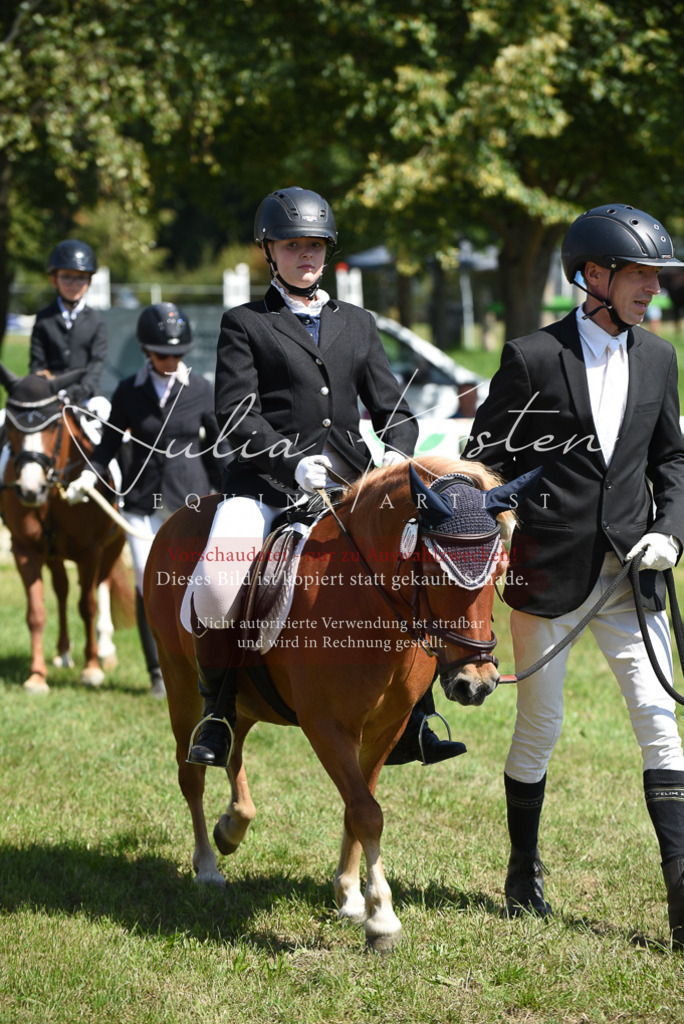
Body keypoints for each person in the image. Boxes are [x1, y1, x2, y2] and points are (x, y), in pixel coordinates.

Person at [463, 203, 684, 945]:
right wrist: (502, 515)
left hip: (632, 573)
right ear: (594, 274)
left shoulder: (659, 358)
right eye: (641, 275)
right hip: (549, 573)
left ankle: (681, 898)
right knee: (540, 728)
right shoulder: (531, 356)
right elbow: (485, 459)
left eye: (658, 276)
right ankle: (523, 872)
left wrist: (669, 533)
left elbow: (672, 462)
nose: (653, 288)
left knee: (661, 724)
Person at [185, 185, 466, 769]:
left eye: (314, 245)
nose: (305, 256)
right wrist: (289, 462)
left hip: (349, 487)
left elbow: (394, 408)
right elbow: (236, 413)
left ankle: (418, 714)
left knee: (417, 565)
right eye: (292, 246)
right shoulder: (245, 323)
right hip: (264, 487)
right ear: (270, 251)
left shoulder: (358, 324)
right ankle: (217, 711)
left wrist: (398, 454)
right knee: (215, 584)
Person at [65, 302, 222, 697]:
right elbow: (108, 446)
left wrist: (230, 493)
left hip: (192, 503)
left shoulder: (202, 390)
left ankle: (202, 667)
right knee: (146, 582)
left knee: (194, 584)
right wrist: (88, 473)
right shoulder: (127, 392)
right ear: (145, 351)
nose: (170, 361)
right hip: (142, 504)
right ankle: (158, 672)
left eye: (177, 355)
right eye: (162, 354)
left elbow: (219, 450)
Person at [0, 239, 109, 480]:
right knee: (2, 420)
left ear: (89, 281)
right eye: (67, 277)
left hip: (87, 396)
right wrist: (47, 389)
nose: (74, 283)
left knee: (114, 428)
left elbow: (96, 363)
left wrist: (81, 390)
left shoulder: (97, 321)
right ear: (54, 279)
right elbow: (37, 364)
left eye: (80, 277)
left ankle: (122, 489)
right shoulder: (44, 318)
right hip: (49, 395)